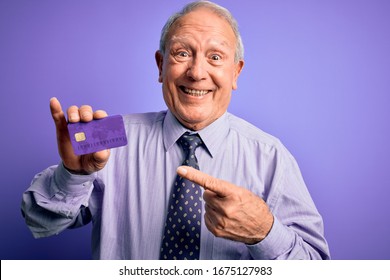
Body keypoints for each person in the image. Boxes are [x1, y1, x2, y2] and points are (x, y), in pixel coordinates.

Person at [21, 0, 330, 260]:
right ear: (160, 66)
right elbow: (39, 222)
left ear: (235, 72)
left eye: (215, 57)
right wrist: (74, 175)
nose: (196, 73)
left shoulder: (271, 156)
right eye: (182, 53)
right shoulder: (109, 136)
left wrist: (264, 232)